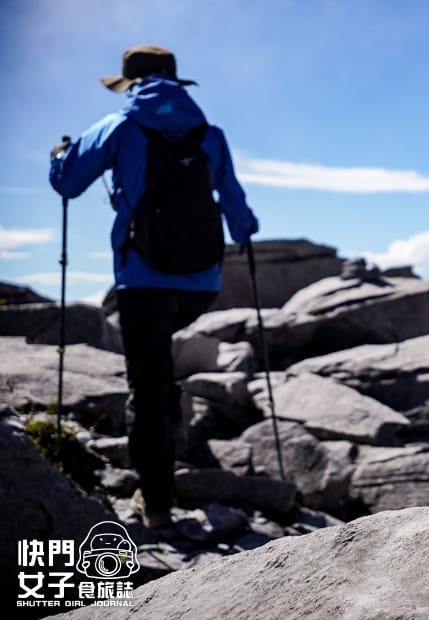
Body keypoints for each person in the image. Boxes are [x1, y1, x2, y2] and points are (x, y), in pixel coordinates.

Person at [49, 45, 258, 528]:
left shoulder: (121, 127)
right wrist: (246, 232)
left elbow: (67, 183)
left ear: (132, 85)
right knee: (157, 366)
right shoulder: (210, 135)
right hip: (201, 282)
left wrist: (59, 156)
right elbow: (237, 210)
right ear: (176, 82)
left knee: (146, 383)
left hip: (143, 279)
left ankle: (157, 504)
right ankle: (174, 426)